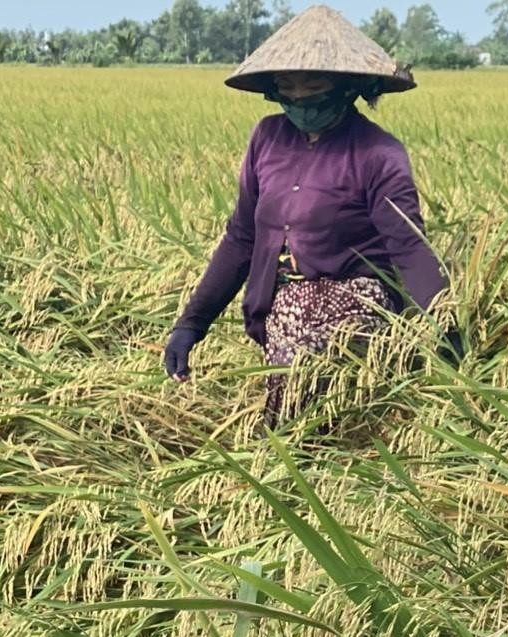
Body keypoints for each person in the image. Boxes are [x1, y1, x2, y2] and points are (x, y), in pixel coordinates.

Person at [163, 5, 460, 431]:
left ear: (346, 87)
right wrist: (191, 324)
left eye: (314, 85)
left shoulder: (378, 153)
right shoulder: (266, 138)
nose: (300, 97)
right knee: (292, 318)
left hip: (355, 296)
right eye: (288, 85)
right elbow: (242, 237)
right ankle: (297, 433)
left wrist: (445, 324)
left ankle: (287, 438)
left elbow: (409, 245)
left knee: (301, 332)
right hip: (276, 304)